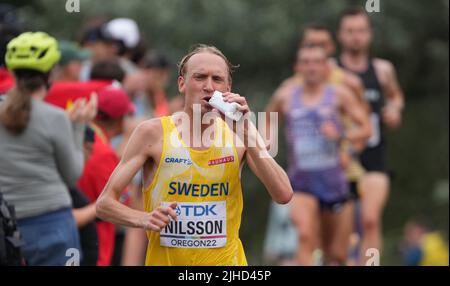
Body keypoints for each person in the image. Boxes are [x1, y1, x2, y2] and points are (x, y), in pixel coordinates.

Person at [96, 44, 293, 266]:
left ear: (228, 87)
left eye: (217, 79)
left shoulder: (240, 133)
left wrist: (247, 133)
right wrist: (144, 218)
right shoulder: (152, 133)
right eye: (199, 77)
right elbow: (104, 204)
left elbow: (283, 194)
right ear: (182, 83)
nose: (208, 86)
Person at [266, 45, 370, 265]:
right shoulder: (285, 96)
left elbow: (366, 128)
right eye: (306, 62)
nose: (311, 67)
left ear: (326, 67)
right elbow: (268, 120)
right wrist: (268, 147)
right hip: (301, 183)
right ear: (297, 67)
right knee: (304, 236)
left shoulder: (339, 95)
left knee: (336, 253)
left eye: (316, 62)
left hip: (334, 183)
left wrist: (341, 136)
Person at [0, 31, 96, 265]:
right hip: (51, 224)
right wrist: (78, 126)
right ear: (51, 73)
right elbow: (72, 175)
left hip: (5, 224)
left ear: (12, 72)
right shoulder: (55, 118)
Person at [337, 7, 405, 264]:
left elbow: (396, 95)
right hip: (341, 159)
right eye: (350, 31)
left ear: (370, 34)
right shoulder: (332, 71)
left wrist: (395, 109)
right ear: (341, 35)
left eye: (361, 31)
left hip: (375, 156)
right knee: (340, 229)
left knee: (370, 219)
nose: (356, 37)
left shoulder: (383, 70)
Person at [77, 86, 135, 266]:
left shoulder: (82, 137)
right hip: (94, 242)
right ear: (120, 119)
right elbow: (122, 200)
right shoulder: (103, 151)